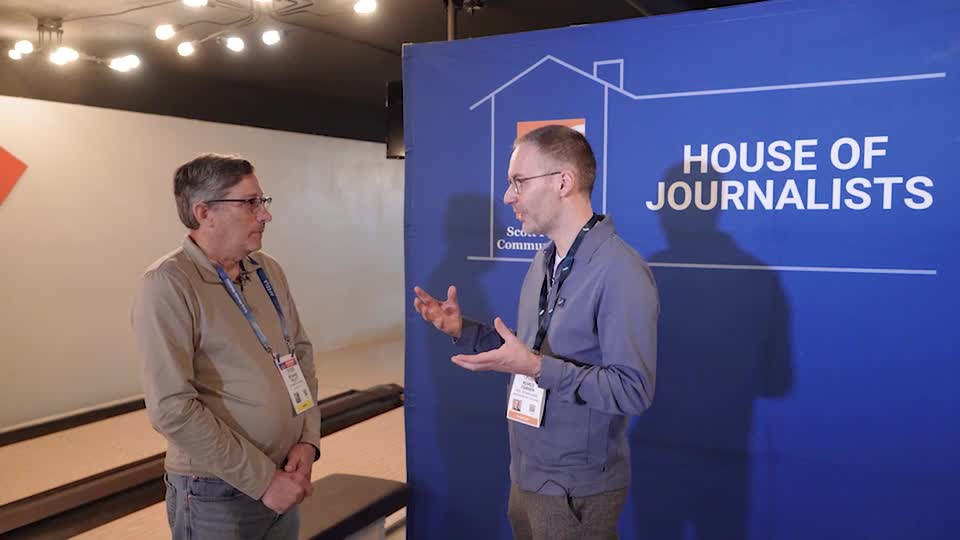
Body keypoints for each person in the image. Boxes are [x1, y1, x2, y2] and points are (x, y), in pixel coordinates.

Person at [413, 125, 659, 540]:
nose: (508, 197)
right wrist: (464, 330)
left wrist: (537, 367)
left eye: (518, 182)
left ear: (563, 182)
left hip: (576, 488)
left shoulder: (620, 271)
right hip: (528, 472)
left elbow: (632, 390)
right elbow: (529, 351)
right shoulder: (545, 261)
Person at [132, 154, 321, 540]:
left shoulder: (267, 270)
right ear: (204, 212)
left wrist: (307, 439)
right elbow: (171, 408)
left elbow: (299, 353)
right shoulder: (168, 283)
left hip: (287, 471)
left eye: (262, 201)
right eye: (250, 203)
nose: (265, 215)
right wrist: (264, 480)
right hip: (216, 492)